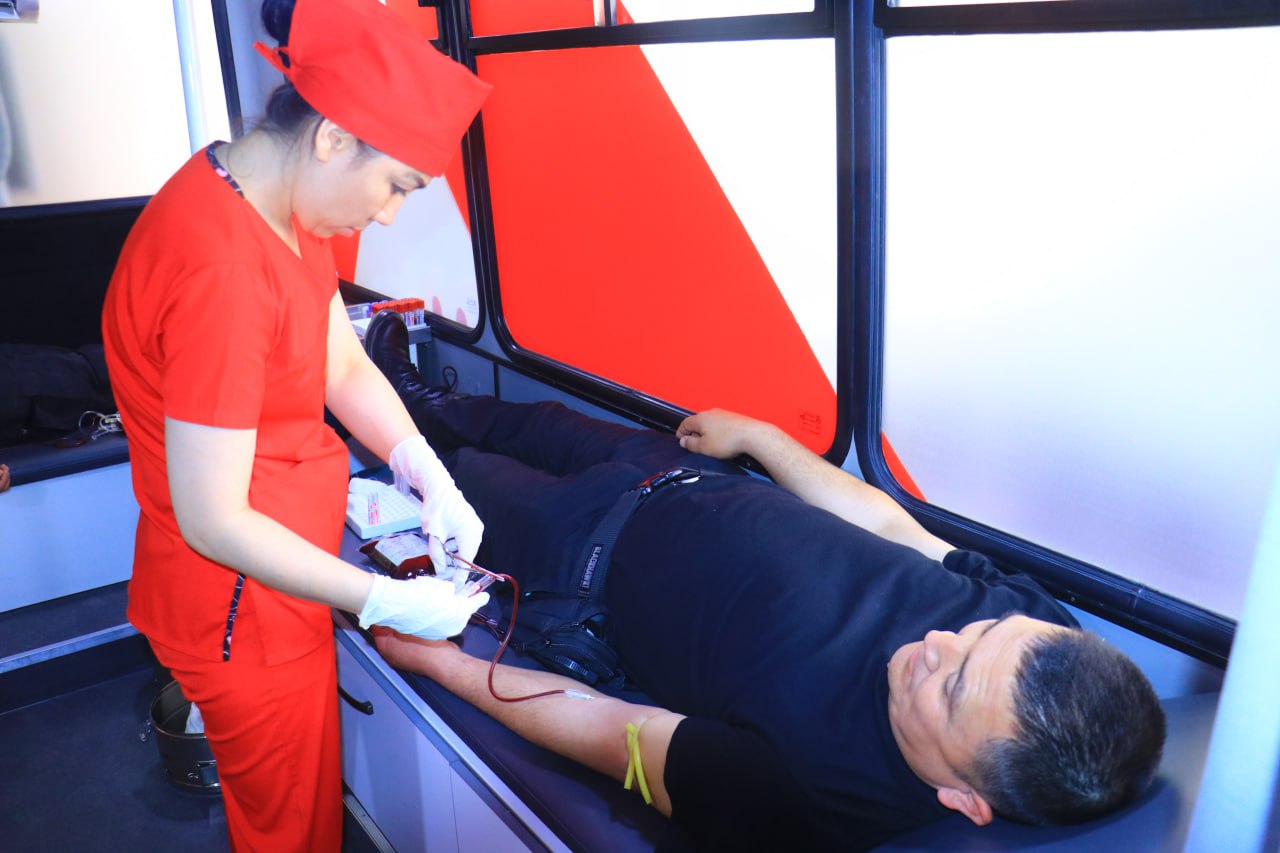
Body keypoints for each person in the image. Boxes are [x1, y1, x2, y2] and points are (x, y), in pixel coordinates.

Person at [363, 311, 1168, 851]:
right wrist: (765, 439)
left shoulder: (813, 799)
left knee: (457, 472)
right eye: (977, 633)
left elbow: (612, 729)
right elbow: (894, 529)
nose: (937, 642)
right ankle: (398, 386)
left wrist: (445, 665)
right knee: (518, 419)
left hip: (576, 551)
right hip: (678, 475)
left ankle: (368, 416)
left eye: (950, 686)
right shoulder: (1041, 635)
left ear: (964, 799)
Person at [100, 1, 494, 849]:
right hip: (243, 604)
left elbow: (339, 364)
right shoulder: (223, 269)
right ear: (332, 138)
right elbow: (215, 518)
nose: (388, 215)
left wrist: (422, 465)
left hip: (280, 573)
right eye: (396, 186)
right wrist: (385, 597)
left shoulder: (268, 201)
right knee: (291, 828)